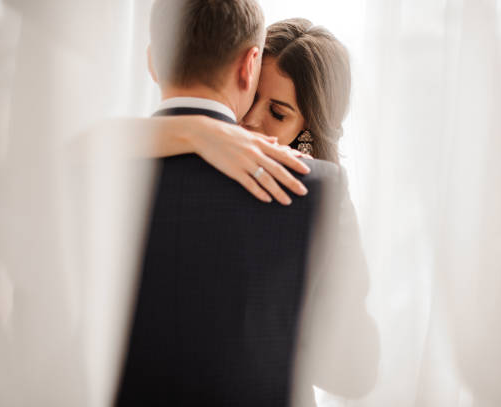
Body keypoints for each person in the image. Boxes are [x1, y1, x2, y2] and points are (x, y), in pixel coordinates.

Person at [115, 1, 378, 406]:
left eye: (277, 112)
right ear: (245, 72)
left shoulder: (319, 195)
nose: (249, 122)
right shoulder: (137, 153)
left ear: (307, 132)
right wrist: (196, 130)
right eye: (252, 95)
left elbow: (354, 371)